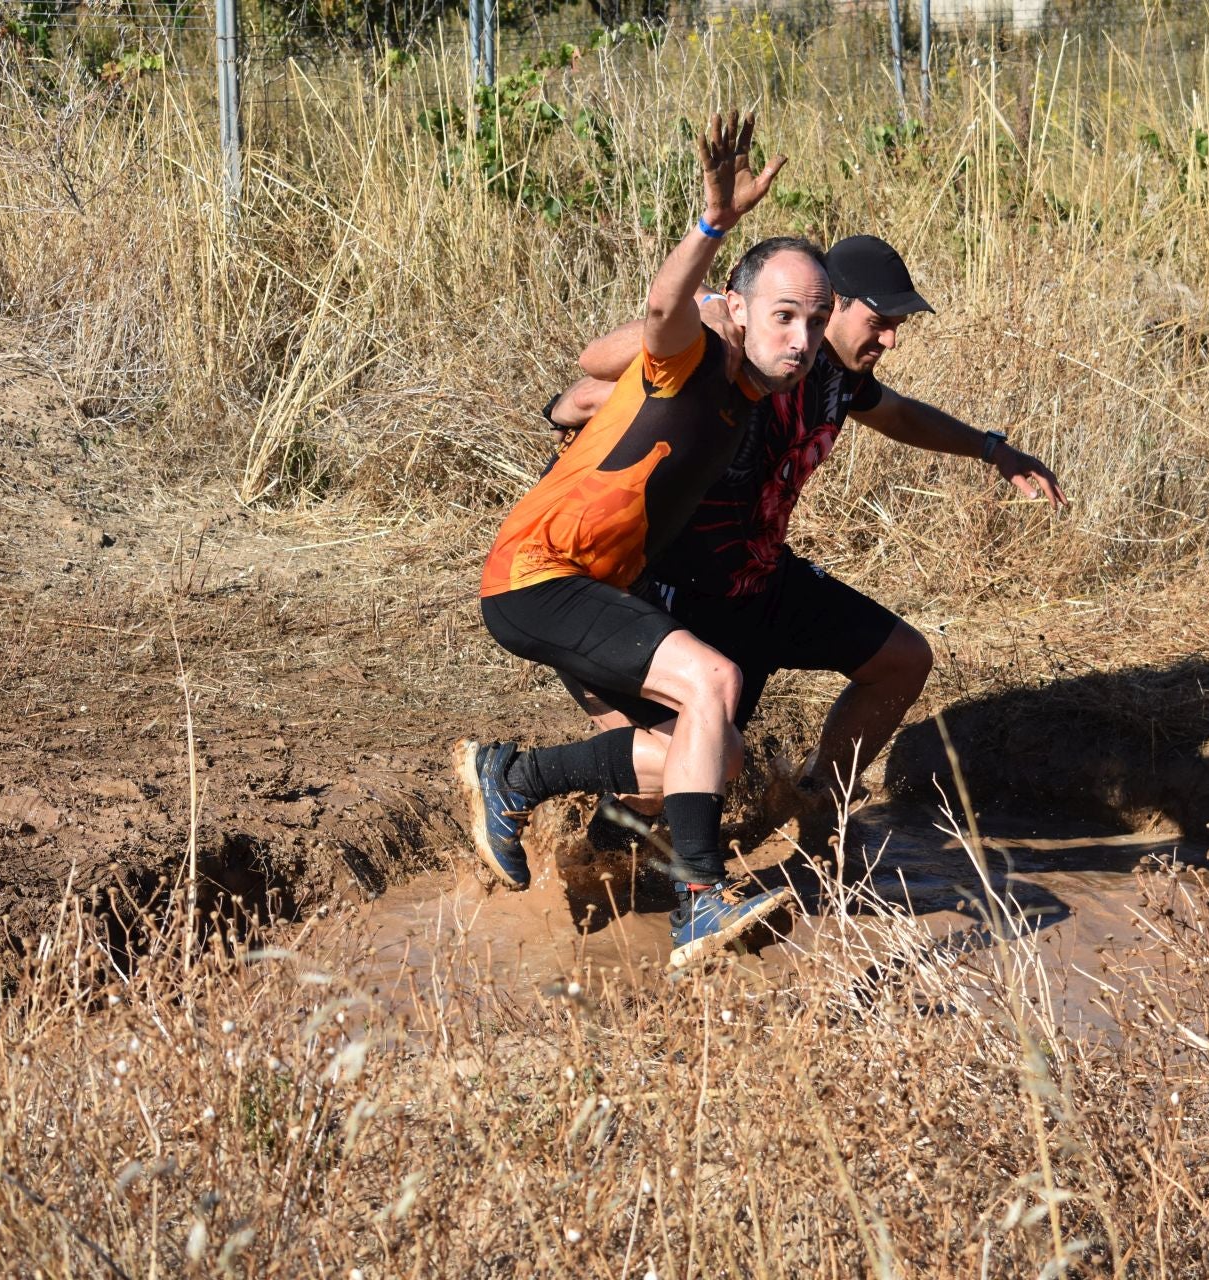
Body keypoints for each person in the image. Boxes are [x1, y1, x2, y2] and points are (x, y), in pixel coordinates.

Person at [452, 111, 833, 971]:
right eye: (783, 317)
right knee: (716, 679)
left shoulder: (751, 390)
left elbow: (600, 393)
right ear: (734, 308)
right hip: (536, 573)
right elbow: (661, 309)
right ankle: (702, 900)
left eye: (816, 321)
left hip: (596, 589)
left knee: (712, 753)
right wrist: (713, 223)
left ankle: (518, 778)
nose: (802, 341)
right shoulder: (690, 354)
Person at [549, 234, 1067, 837]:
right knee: (661, 787)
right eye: (880, 321)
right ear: (834, 303)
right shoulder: (745, 353)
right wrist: (716, 309)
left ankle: (809, 803)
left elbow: (897, 414)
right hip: (678, 593)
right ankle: (554, 822)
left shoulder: (838, 373)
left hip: (764, 582)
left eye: (898, 325)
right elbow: (591, 379)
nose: (891, 339)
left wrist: (991, 449)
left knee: (903, 660)